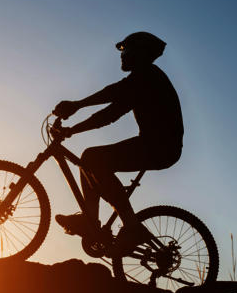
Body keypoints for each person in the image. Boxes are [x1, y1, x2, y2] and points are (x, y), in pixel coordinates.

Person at [51, 31, 184, 257]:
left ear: (142, 53)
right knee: (88, 156)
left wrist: (77, 104)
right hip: (153, 144)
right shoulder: (139, 84)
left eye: (127, 50)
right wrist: (71, 131)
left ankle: (132, 227)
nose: (121, 56)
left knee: (99, 161)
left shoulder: (148, 74)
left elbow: (113, 92)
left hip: (161, 146)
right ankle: (89, 219)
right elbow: (108, 115)